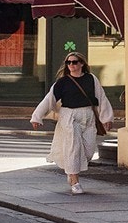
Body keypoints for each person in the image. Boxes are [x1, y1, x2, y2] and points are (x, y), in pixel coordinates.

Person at [31, 52, 114, 194]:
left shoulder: (91, 79)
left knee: (88, 150)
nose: (71, 65)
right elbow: (49, 100)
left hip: (88, 116)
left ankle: (71, 172)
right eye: (68, 63)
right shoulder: (62, 82)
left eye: (74, 62)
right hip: (70, 117)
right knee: (73, 148)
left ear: (82, 64)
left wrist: (107, 118)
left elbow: (101, 98)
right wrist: (37, 117)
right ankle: (75, 182)